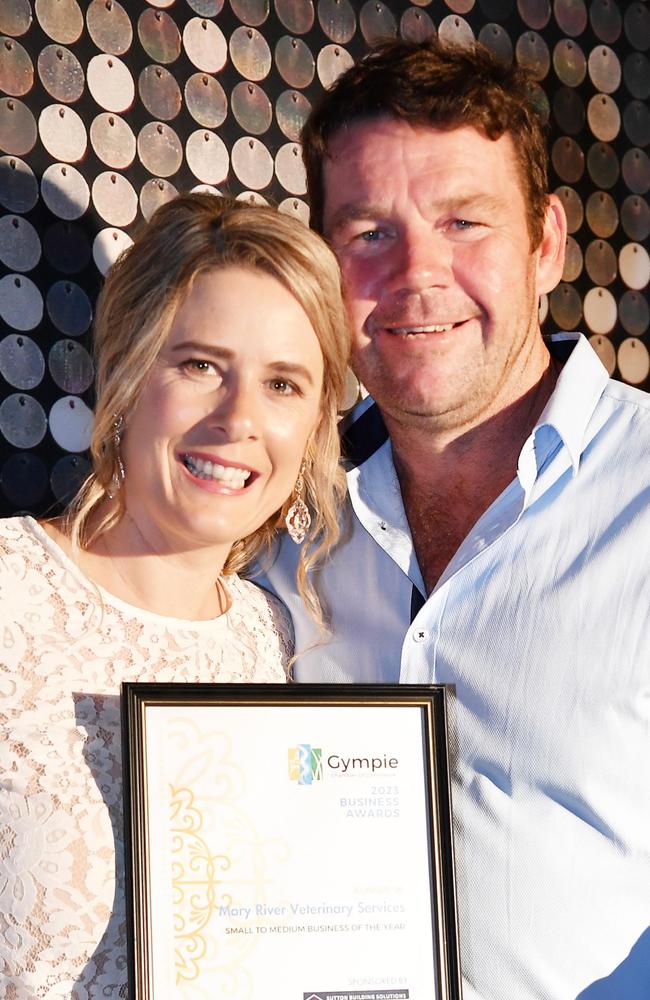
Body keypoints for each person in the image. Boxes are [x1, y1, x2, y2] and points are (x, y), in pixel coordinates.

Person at [261, 39, 650, 999]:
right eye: (369, 234)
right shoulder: (275, 523)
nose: (417, 275)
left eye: (464, 221)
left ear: (546, 242)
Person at [0, 193, 350, 997]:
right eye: (200, 366)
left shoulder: (273, 641)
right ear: (127, 377)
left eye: (284, 385)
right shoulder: (10, 590)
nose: (239, 420)